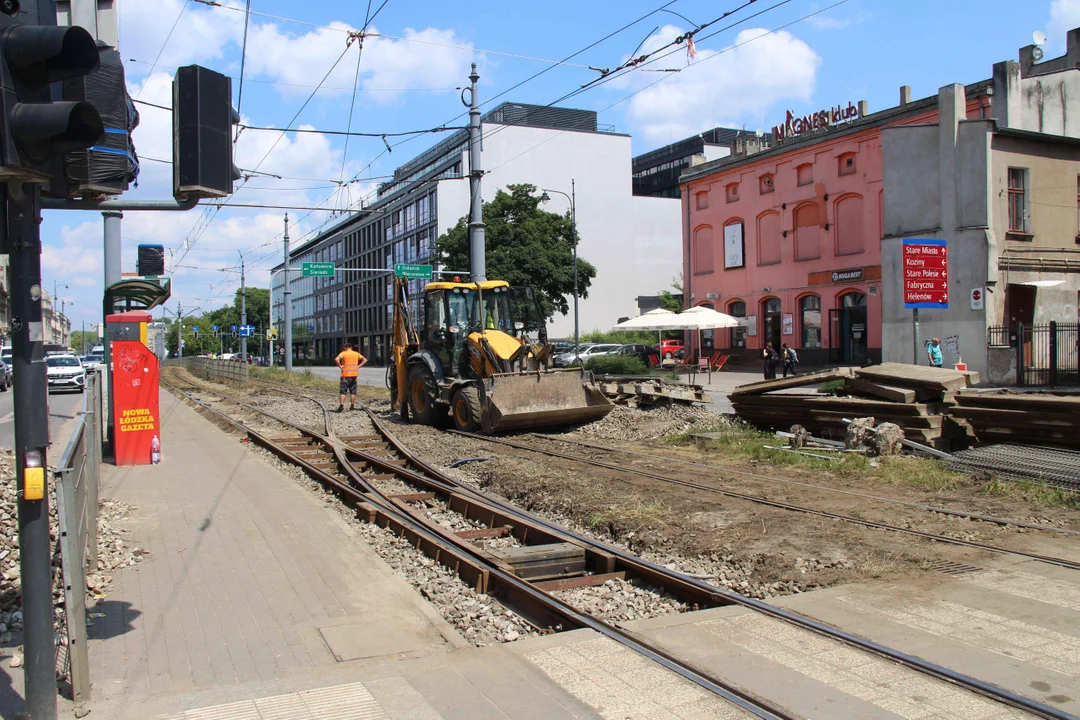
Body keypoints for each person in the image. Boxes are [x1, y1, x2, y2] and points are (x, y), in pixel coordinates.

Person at [335, 342, 367, 412]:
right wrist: (358, 366)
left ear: (345, 348)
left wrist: (340, 366)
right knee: (353, 391)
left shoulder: (343, 353)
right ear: (351, 348)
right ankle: (352, 406)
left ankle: (341, 406)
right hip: (354, 375)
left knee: (343, 391)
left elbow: (336, 359)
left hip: (345, 375)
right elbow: (365, 360)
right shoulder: (356, 353)